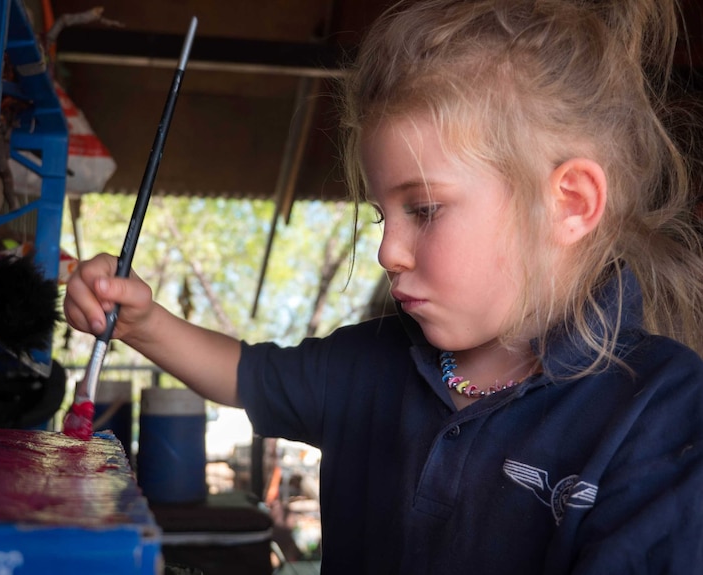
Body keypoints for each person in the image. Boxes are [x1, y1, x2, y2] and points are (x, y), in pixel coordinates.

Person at [64, 0, 703, 572]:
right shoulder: (370, 364)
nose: (387, 251)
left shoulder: (660, 411)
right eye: (381, 215)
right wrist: (143, 323)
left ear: (570, 202)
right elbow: (245, 373)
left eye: (423, 210)